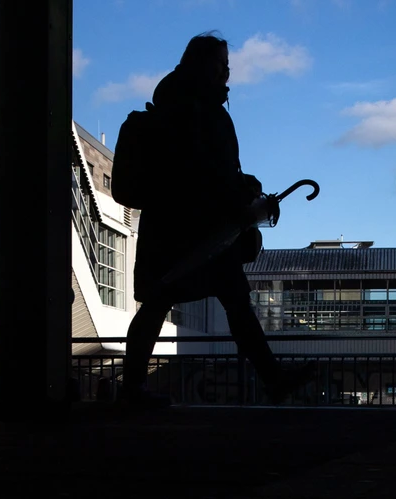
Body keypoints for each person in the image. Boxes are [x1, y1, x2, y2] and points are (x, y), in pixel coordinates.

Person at [120, 31, 316, 406]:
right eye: (220, 66)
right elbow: (207, 174)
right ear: (203, 67)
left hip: (174, 231)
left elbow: (199, 173)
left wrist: (238, 187)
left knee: (164, 301)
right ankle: (272, 378)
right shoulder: (201, 114)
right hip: (197, 232)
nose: (226, 74)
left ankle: (132, 388)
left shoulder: (177, 108)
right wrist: (245, 190)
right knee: (229, 299)